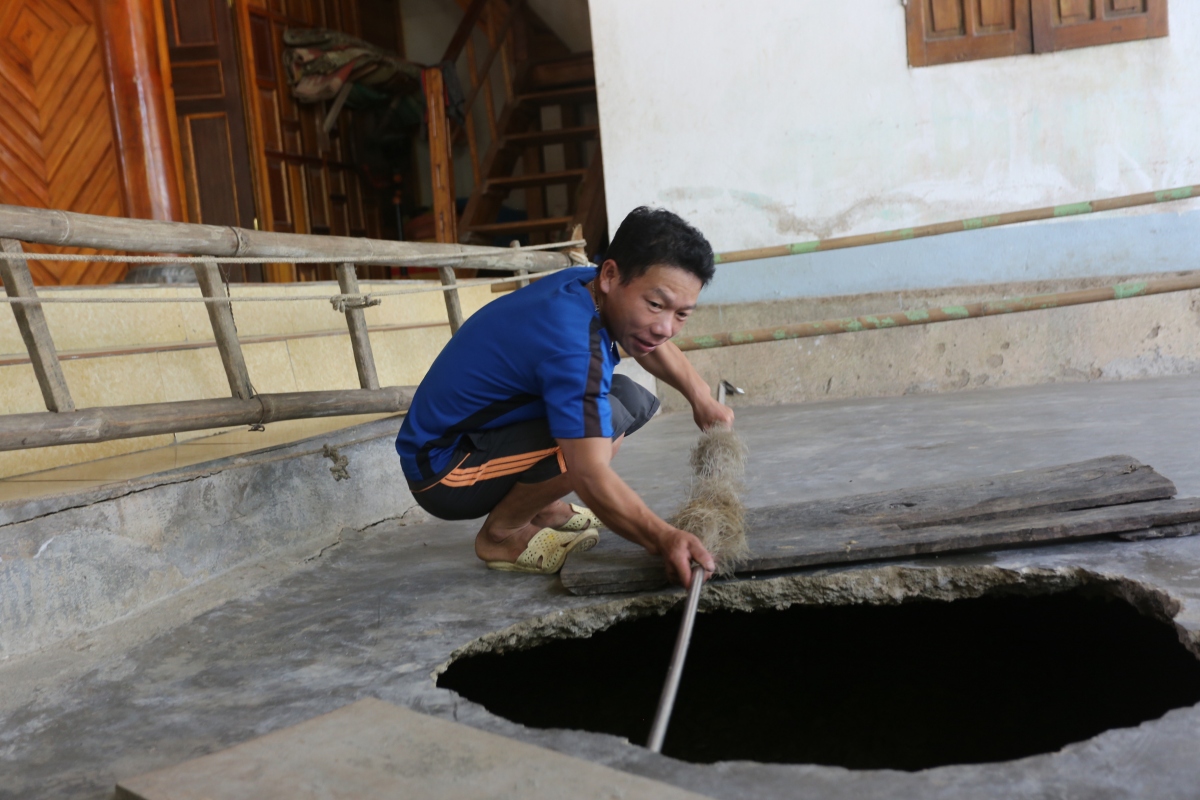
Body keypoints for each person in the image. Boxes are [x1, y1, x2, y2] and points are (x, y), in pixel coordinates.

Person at [395, 207, 733, 587]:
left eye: (681, 314)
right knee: (605, 425)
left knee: (628, 399)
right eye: (655, 304)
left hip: (475, 439)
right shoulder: (572, 344)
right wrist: (663, 537)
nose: (665, 328)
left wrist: (701, 397)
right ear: (610, 275)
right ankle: (502, 536)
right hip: (444, 470)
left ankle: (541, 505)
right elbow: (589, 472)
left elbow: (648, 340)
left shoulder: (586, 286)